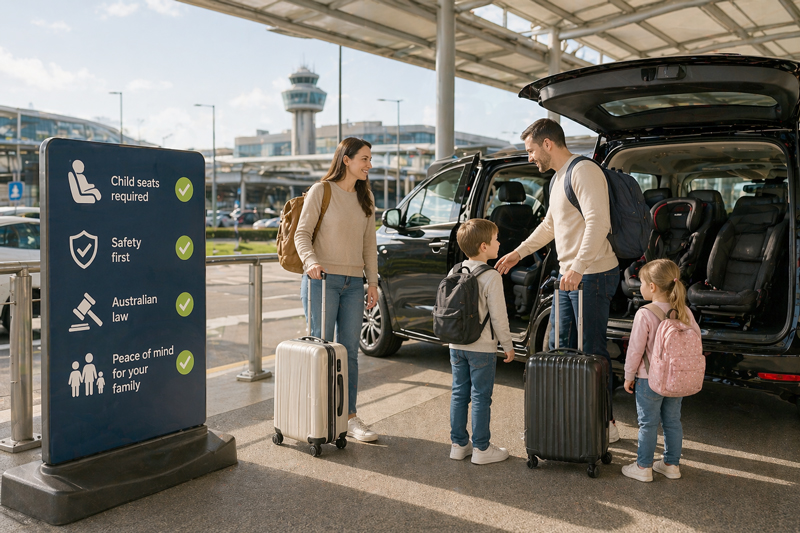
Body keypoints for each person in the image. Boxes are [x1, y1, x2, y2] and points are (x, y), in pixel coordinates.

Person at [494, 118, 620, 442]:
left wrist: (578, 267)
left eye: (531, 150)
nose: (530, 157)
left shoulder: (584, 171)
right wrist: (518, 253)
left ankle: (606, 423)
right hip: (570, 276)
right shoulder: (556, 180)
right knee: (562, 348)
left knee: (591, 350)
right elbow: (550, 226)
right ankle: (574, 415)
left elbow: (598, 222)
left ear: (547, 144)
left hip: (592, 274)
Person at [295, 137, 380, 442]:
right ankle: (316, 415)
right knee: (321, 350)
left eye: (370, 160)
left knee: (349, 354)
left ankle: (349, 416)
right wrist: (310, 262)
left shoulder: (365, 197)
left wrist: (372, 282)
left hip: (354, 285)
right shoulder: (323, 190)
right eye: (365, 159)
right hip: (322, 281)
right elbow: (301, 233)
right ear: (347, 159)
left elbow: (369, 245)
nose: (369, 165)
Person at [621, 259, 699, 482]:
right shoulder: (684, 311)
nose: (641, 287)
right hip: (675, 379)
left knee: (648, 424)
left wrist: (628, 376)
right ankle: (671, 464)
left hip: (648, 379)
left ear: (653, 287)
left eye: (642, 283)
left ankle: (643, 467)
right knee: (673, 422)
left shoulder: (645, 313)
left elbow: (635, 350)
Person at [448, 219, 515, 465]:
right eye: (497, 239)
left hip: (456, 345)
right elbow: (499, 316)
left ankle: (458, 444)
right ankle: (482, 449)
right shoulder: (491, 276)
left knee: (459, 394)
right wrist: (507, 345)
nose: (500, 243)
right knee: (480, 397)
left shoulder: (455, 271)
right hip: (481, 348)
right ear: (484, 246)